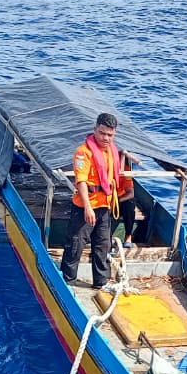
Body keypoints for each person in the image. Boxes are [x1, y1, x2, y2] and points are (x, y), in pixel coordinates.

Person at [60, 112, 130, 288]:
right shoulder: (83, 153)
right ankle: (68, 280)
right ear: (95, 129)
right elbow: (81, 181)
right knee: (76, 244)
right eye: (102, 133)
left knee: (102, 245)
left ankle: (101, 282)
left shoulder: (111, 151)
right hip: (85, 206)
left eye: (110, 135)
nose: (106, 138)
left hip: (104, 206)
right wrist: (87, 207)